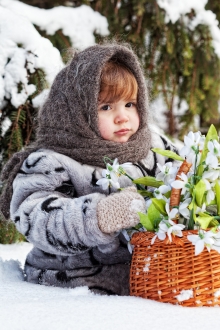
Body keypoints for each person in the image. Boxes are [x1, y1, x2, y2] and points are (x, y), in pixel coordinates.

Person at [0, 42, 177, 295]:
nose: (122, 117)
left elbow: (184, 178)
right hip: (72, 283)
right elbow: (34, 217)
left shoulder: (154, 148)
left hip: (143, 279)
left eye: (130, 104)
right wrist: (98, 216)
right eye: (106, 107)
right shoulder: (52, 160)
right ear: (77, 114)